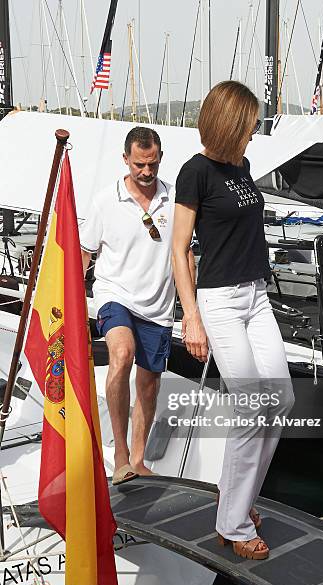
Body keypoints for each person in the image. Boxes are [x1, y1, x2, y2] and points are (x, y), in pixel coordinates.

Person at [172, 81, 295, 560]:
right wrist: (192, 318)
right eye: (248, 125)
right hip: (220, 300)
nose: (253, 133)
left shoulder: (242, 166)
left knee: (280, 400)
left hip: (255, 296)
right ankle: (234, 525)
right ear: (229, 124)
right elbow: (179, 250)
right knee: (250, 405)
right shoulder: (195, 173)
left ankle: (236, 498)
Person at [80, 126, 192, 485]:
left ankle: (139, 459)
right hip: (115, 295)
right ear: (125, 159)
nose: (146, 172)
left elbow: (185, 252)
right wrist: (68, 305)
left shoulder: (175, 200)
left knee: (148, 386)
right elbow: (85, 251)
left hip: (158, 305)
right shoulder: (105, 200)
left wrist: (192, 311)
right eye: (139, 164)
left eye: (153, 164)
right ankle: (121, 456)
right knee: (122, 353)